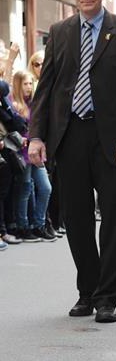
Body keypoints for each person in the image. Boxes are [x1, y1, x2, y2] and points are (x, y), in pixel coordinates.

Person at [28, 0, 116, 323]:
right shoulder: (59, 32)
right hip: (69, 137)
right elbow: (45, 89)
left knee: (113, 218)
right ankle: (87, 290)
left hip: (113, 139)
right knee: (76, 218)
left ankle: (108, 298)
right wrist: (36, 136)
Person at [11, 70, 55, 242]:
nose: (29, 87)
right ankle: (23, 227)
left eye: (30, 83)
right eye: (25, 83)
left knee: (45, 188)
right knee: (26, 190)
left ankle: (38, 224)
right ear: (18, 84)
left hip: (36, 153)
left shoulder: (34, 103)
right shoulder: (14, 105)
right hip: (22, 153)